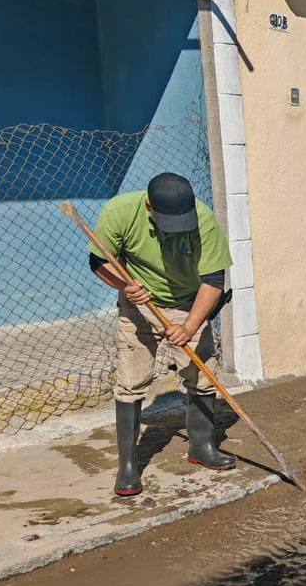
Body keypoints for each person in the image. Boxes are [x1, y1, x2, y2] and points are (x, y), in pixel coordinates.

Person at [88, 173, 234, 497]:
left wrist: (189, 327)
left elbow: (213, 281)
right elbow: (97, 261)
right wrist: (124, 286)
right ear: (149, 207)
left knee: (202, 374)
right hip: (139, 304)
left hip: (188, 303)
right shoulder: (120, 213)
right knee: (131, 381)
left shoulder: (204, 221)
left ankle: (202, 447)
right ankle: (128, 466)